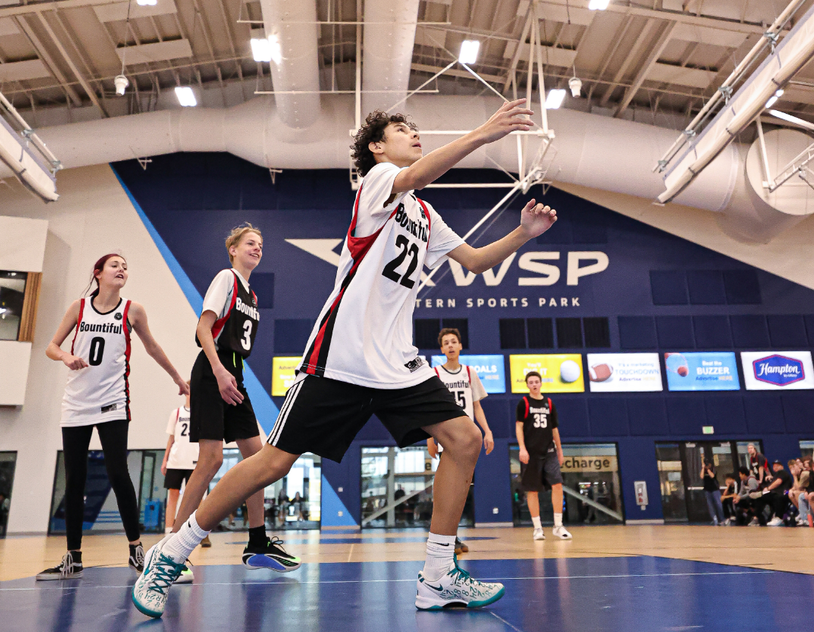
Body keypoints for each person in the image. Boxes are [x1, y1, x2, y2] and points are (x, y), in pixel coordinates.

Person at [132, 98, 557, 617]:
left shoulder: (425, 213)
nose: (414, 135)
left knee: (465, 438)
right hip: (341, 357)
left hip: (397, 362)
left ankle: (438, 575)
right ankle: (170, 552)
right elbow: (420, 171)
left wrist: (522, 235)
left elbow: (472, 260)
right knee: (272, 463)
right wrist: (483, 134)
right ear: (378, 146)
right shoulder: (378, 181)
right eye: (403, 130)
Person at [38, 253, 188, 581]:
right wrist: (65, 356)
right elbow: (51, 346)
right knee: (75, 479)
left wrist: (177, 378)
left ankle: (136, 549)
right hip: (75, 403)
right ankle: (73, 557)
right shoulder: (79, 308)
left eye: (125, 266)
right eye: (114, 265)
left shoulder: (132, 309)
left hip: (112, 402)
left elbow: (152, 347)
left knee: (118, 472)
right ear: (98, 273)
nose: (122, 269)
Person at [168, 225, 292, 572]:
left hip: (234, 373)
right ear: (233, 250)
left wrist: (230, 374)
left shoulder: (251, 295)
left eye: (261, 244)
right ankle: (172, 549)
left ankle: (257, 541)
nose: (258, 248)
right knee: (210, 460)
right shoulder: (227, 278)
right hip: (213, 370)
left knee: (259, 460)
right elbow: (203, 328)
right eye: (251, 243)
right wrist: (219, 372)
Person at [426, 327, 494, 555]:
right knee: (448, 490)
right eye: (446, 343)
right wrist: (430, 437)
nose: (451, 346)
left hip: (467, 438)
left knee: (462, 490)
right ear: (442, 349)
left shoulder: (469, 372)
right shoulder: (435, 373)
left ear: (460, 346)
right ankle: (446, 538)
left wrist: (487, 431)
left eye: (454, 341)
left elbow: (476, 406)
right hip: (448, 436)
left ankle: (451, 536)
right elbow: (430, 409)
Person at [515, 371, 571, 541]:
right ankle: (538, 528)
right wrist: (522, 448)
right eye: (530, 382)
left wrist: (560, 450)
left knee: (557, 485)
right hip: (531, 453)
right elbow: (519, 427)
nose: (534, 384)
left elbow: (554, 429)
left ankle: (558, 526)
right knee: (532, 490)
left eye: (536, 381)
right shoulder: (523, 403)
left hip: (549, 451)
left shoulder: (549, 403)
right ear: (527, 385)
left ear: (540, 383)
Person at [162, 387, 200, 534]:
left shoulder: (201, 413)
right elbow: (171, 438)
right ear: (185, 393)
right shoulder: (176, 413)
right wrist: (165, 460)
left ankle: (194, 531)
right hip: (176, 461)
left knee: (195, 498)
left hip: (194, 460)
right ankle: (169, 530)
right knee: (173, 495)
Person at [764, 460, 793, 526]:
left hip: (785, 492)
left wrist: (768, 488)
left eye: (777, 466)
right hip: (775, 493)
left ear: (782, 466)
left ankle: (778, 517)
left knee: (778, 497)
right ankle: (759, 517)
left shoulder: (783, 473)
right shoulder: (775, 475)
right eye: (774, 466)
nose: (775, 467)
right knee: (763, 497)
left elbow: (778, 482)